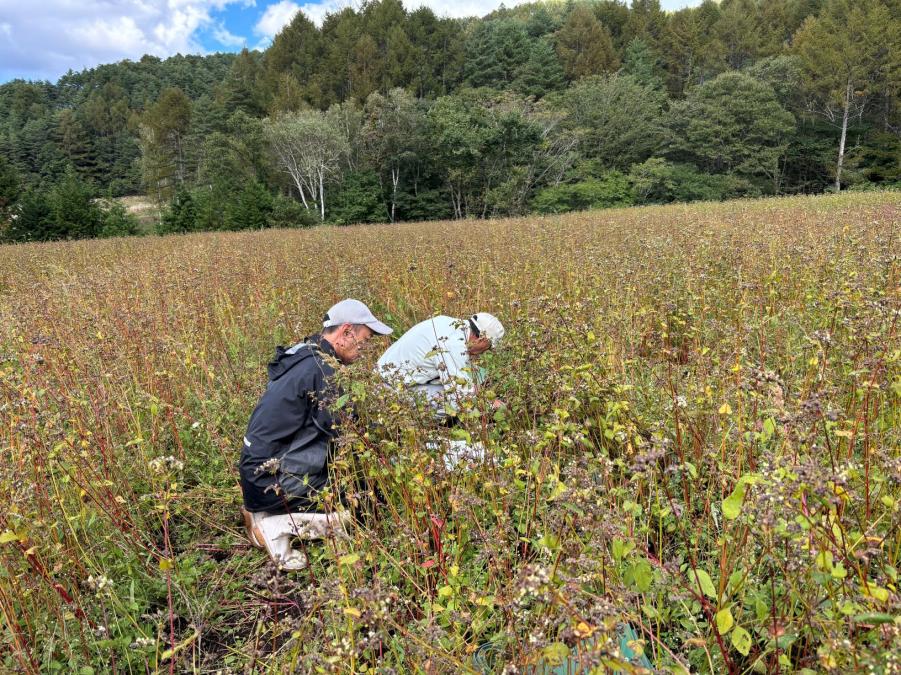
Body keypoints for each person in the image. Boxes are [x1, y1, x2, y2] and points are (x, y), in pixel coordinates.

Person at [239, 299, 392, 570]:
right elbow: (343, 433)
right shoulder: (324, 371)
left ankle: (260, 510)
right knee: (366, 499)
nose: (365, 349)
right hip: (272, 478)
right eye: (365, 340)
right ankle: (274, 527)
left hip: (255, 473)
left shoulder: (303, 354)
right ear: (346, 332)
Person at [376, 313, 504, 422]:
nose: (484, 352)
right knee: (454, 403)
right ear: (482, 340)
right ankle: (424, 428)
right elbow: (459, 398)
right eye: (487, 348)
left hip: (385, 380)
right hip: (388, 391)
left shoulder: (448, 323)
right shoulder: (454, 345)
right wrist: (491, 405)